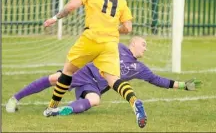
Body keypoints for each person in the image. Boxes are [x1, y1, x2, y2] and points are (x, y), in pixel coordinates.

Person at [42, 0, 147, 128]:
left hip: (91, 37)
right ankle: (135, 102)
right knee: (113, 80)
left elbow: (71, 6)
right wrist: (113, 29)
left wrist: (54, 18)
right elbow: (128, 28)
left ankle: (52, 107)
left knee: (68, 71)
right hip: (110, 43)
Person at [6, 36, 201, 117]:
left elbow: (159, 80)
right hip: (85, 71)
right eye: (143, 44)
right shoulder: (117, 47)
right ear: (133, 44)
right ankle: (15, 99)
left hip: (93, 86)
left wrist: (184, 85)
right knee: (55, 79)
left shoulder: (140, 68)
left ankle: (61, 111)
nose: (145, 47)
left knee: (95, 100)